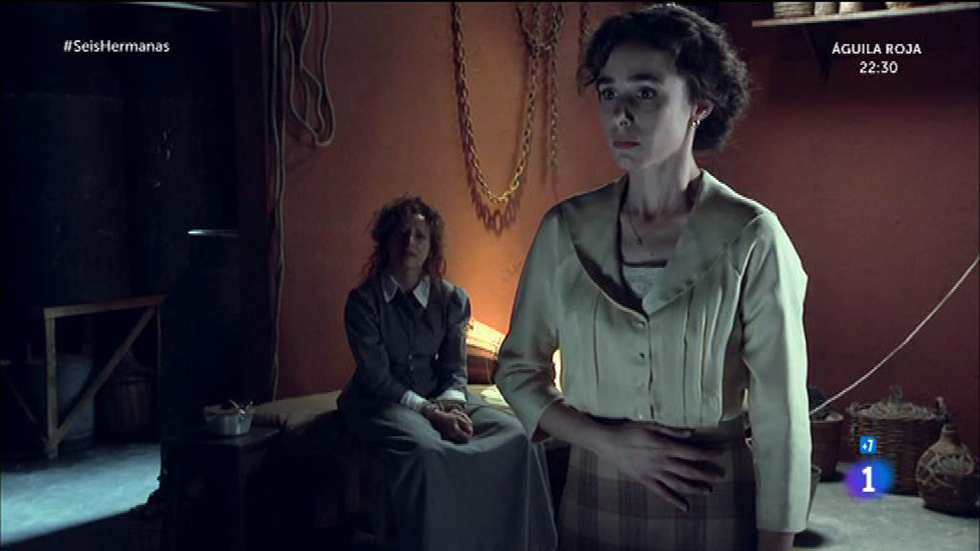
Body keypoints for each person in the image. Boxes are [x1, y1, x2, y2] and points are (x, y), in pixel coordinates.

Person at [495, 5, 810, 551]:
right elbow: (518, 369)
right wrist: (608, 443)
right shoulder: (565, 229)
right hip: (595, 497)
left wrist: (776, 541)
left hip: (713, 499)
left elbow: (781, 415)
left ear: (700, 104)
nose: (619, 114)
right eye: (608, 92)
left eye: (645, 92)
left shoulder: (752, 236)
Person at [337, 195, 558, 551]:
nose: (409, 242)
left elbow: (454, 368)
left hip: (441, 397)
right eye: (401, 233)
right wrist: (431, 413)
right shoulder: (364, 302)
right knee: (427, 451)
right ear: (386, 241)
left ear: (431, 246)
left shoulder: (452, 299)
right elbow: (376, 377)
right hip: (379, 401)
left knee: (520, 436)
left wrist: (451, 406)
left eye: (419, 236)